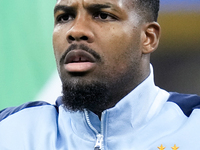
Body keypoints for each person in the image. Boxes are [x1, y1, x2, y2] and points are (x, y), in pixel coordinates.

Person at [0, 0, 200, 149]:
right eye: (64, 17)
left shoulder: (194, 127)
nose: (75, 30)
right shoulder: (9, 131)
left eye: (102, 15)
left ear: (148, 37)